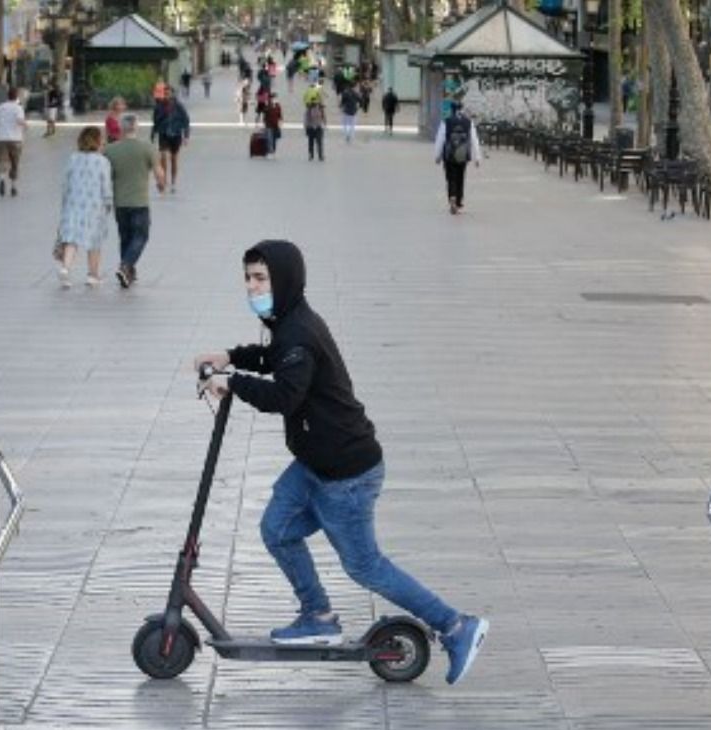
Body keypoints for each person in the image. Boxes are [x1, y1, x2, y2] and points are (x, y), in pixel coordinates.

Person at [194, 240, 490, 685]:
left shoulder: (299, 332)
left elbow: (285, 395)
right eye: (248, 278)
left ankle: (455, 626)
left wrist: (233, 382)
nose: (252, 286)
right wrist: (232, 357)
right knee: (276, 530)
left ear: (285, 279)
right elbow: (275, 360)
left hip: (347, 474)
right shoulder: (289, 323)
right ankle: (318, 616)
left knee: (365, 565)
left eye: (260, 278)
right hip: (317, 463)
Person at [104, 114, 167, 288]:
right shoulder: (147, 148)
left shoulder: (109, 150)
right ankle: (125, 266)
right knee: (141, 236)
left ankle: (129, 272)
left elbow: (104, 176)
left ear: (121, 128)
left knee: (125, 237)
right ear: (136, 127)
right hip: (139, 202)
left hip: (120, 202)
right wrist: (162, 185)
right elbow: (159, 172)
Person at [54, 126, 113, 289]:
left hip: (73, 204)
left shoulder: (73, 158)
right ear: (98, 141)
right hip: (94, 207)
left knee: (71, 239)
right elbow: (106, 186)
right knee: (94, 241)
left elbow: (65, 183)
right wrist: (108, 204)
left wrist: (64, 202)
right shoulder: (103, 162)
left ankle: (65, 269)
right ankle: (92, 276)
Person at [434, 103, 482, 214]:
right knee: (460, 178)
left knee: (451, 178)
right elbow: (474, 140)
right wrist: (477, 157)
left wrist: (437, 156)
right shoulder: (468, 122)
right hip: (463, 155)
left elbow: (440, 139)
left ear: (451, 109)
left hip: (449, 155)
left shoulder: (446, 121)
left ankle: (452, 197)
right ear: (462, 109)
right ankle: (459, 201)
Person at [150, 89, 191, 193]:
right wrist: (153, 135)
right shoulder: (159, 107)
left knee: (173, 159)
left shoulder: (179, 106)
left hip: (176, 134)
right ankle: (164, 180)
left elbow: (186, 121)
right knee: (163, 156)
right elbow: (155, 122)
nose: (166, 96)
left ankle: (173, 183)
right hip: (163, 134)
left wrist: (186, 136)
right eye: (165, 94)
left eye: (168, 94)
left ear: (172, 94)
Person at [0, 87, 27, 197]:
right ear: (16, 96)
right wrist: (25, 125)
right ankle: (13, 187)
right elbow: (19, 120)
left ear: (8, 96)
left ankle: (2, 179)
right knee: (14, 164)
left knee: (3, 161)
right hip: (16, 140)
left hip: (2, 138)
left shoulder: (1, 107)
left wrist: (3, 122)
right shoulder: (18, 108)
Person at [304, 92, 326, 162]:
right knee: (311, 142)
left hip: (319, 127)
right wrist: (306, 126)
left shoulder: (321, 108)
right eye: (315, 101)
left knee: (319, 142)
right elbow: (306, 118)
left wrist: (324, 123)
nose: (316, 102)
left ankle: (320, 155)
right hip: (311, 127)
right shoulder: (309, 109)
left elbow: (323, 117)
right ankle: (311, 154)